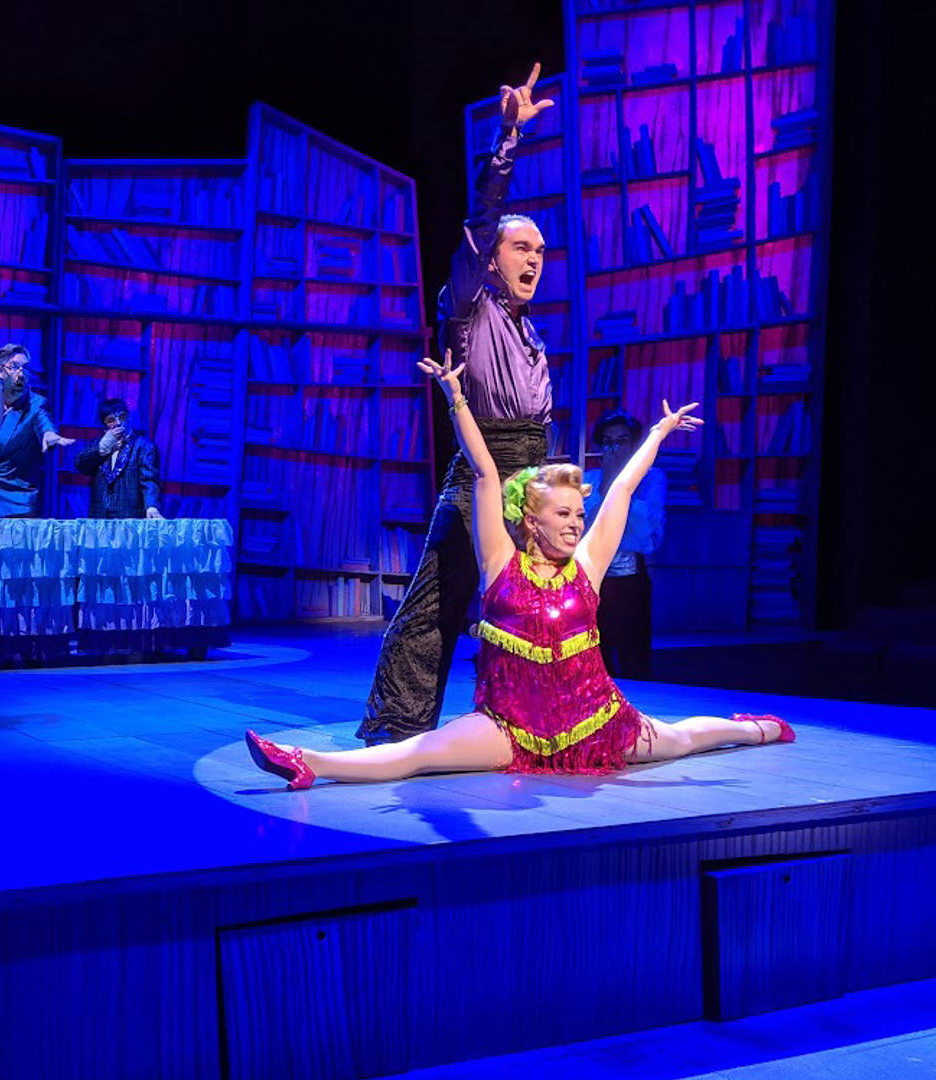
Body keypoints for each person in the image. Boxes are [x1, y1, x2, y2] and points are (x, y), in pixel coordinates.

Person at [244, 355, 790, 789]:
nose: (577, 524)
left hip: (595, 722)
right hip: (510, 726)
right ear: (531, 519)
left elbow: (620, 489)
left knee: (680, 740)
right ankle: (309, 761)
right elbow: (484, 473)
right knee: (417, 754)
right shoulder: (500, 564)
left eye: (579, 514)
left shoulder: (587, 566)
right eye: (564, 515)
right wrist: (458, 400)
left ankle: (754, 728)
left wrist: (658, 434)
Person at [360, 64, 560, 748]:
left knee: (538, 611)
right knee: (438, 600)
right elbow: (480, 217)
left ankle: (528, 721)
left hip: (534, 471)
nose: (534, 259)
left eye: (541, 250)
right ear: (491, 259)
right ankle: (396, 725)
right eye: (521, 247)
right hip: (484, 468)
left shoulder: (530, 331)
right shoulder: (470, 307)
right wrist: (508, 138)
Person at [583, 410, 664, 678]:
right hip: (592, 579)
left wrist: (624, 487)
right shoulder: (590, 480)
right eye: (607, 442)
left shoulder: (653, 478)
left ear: (633, 445)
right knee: (593, 654)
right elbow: (584, 530)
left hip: (632, 578)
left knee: (634, 657)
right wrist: (609, 485)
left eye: (621, 441)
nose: (614, 449)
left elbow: (648, 533)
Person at [0, 343, 75, 518]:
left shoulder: (36, 404)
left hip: (16, 500)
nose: (21, 373)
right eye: (15, 367)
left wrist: (49, 434)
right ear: (0, 371)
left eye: (26, 368)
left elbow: (43, 422)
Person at [75, 397, 163, 520]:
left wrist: (151, 506)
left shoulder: (144, 447)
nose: (118, 423)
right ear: (104, 426)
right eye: (111, 420)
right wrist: (103, 447)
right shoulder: (98, 445)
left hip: (129, 519)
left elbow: (149, 480)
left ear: (129, 418)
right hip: (99, 519)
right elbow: (80, 466)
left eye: (122, 417)